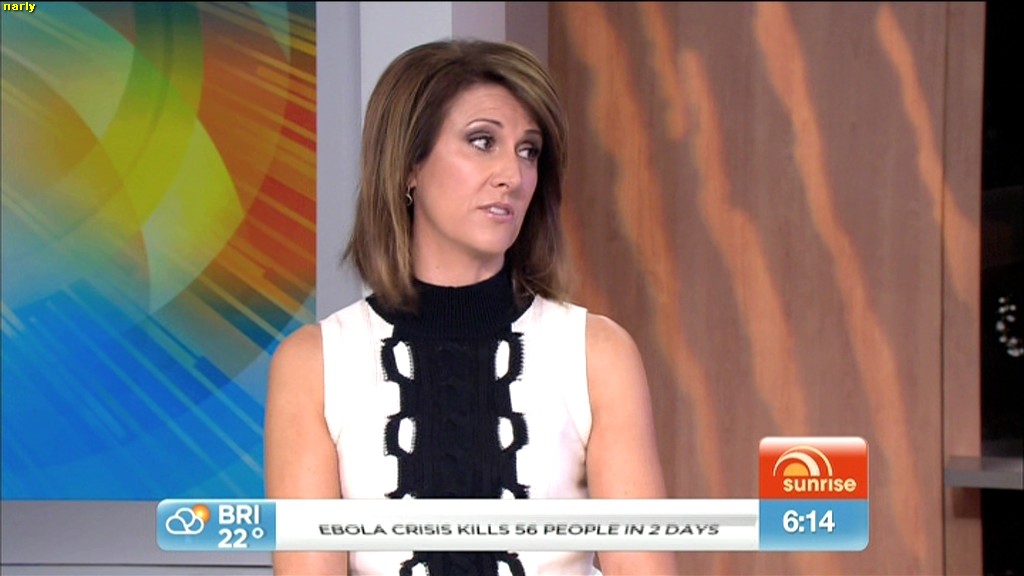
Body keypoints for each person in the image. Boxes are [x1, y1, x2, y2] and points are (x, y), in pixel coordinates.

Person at [265, 38, 677, 576]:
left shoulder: (596, 354)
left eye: (528, 151)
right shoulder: (315, 365)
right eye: (483, 142)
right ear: (408, 166)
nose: (513, 175)